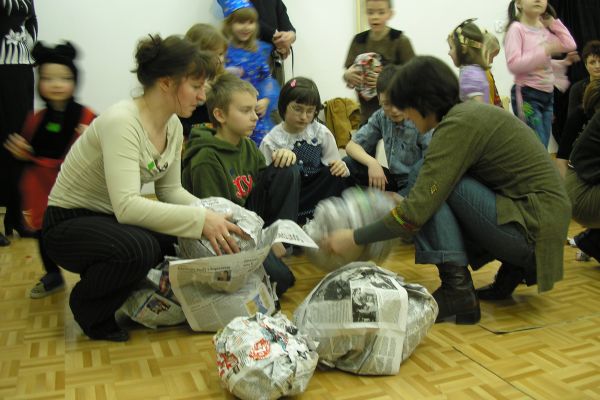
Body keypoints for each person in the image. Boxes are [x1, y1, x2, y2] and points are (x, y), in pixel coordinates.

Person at [322, 56, 571, 324]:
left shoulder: (457, 126)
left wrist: (355, 237)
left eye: (405, 106)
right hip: (541, 223)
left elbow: (414, 213)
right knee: (433, 182)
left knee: (430, 187)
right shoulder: (466, 115)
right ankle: (510, 269)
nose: (405, 115)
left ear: (422, 102)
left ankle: (457, 290)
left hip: (534, 232)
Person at [41, 35, 246, 342]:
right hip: (67, 223)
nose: (203, 96)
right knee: (140, 249)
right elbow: (127, 206)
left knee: (176, 238)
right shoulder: (122, 121)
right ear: (166, 83)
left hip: (107, 218)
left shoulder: (173, 125)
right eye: (195, 86)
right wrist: (201, 219)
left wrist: (219, 212)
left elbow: (171, 191)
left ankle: (128, 289)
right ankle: (87, 306)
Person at [181, 73, 297, 296]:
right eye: (245, 111)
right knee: (282, 282)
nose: (254, 117)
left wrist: (284, 155)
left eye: (254, 110)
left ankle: (279, 239)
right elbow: (216, 219)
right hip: (226, 228)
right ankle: (264, 253)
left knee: (287, 168)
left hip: (249, 219)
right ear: (220, 115)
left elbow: (266, 188)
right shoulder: (205, 158)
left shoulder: (248, 146)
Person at [3, 41, 95, 298]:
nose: (56, 84)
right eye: (47, 78)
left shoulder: (86, 117)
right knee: (43, 232)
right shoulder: (36, 118)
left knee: (82, 232)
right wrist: (22, 152)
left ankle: (92, 273)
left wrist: (91, 140)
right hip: (42, 187)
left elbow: (101, 151)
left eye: (64, 78)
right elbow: (29, 150)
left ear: (75, 81)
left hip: (74, 189)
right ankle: (52, 274)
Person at [259, 77, 349, 223]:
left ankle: (329, 218)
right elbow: (264, 181)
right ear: (284, 106)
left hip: (316, 192)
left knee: (334, 173)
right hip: (290, 197)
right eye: (297, 109)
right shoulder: (272, 141)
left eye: (310, 111)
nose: (303, 117)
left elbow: (333, 162)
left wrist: (340, 166)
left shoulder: (320, 132)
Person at [344, 65, 429, 193]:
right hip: (394, 181)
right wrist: (372, 163)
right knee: (348, 164)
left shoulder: (422, 119)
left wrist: (400, 197)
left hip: (418, 184)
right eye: (387, 103)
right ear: (379, 99)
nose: (394, 110)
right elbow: (351, 146)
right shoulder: (381, 116)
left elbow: (432, 168)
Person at [504, 0, 576, 147]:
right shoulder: (516, 29)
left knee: (542, 144)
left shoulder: (543, 29)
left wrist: (553, 23)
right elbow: (514, 64)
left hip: (547, 95)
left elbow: (570, 44)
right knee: (537, 145)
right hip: (528, 95)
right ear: (519, 4)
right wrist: (545, 50)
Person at [0, 0, 37, 246]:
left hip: (23, 69)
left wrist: (27, 46)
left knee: (21, 143)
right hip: (0, 69)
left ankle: (15, 217)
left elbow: (32, 20)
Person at [218, 0, 280, 146]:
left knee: (260, 147)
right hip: (230, 112)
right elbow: (218, 79)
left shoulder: (258, 50)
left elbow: (267, 79)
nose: (246, 27)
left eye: (251, 22)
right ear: (229, 24)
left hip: (255, 115)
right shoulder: (223, 50)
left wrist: (266, 100)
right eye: (240, 22)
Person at [343, 0, 415, 124]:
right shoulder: (358, 41)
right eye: (370, 12)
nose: (375, 17)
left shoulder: (399, 40)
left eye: (381, 12)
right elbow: (348, 72)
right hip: (367, 114)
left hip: (396, 113)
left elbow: (413, 75)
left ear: (390, 14)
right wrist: (347, 75)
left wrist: (384, 82)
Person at [564, 79, 600, 262]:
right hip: (582, 190)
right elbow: (564, 157)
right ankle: (590, 241)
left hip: (583, 184)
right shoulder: (577, 117)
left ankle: (590, 242)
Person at [179, 23, 228, 138]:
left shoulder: (222, 77)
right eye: (213, 55)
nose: (219, 59)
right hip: (190, 133)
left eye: (221, 54)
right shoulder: (183, 78)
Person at [249, 0, 296, 86]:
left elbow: (286, 25)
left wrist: (291, 35)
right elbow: (245, 20)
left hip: (274, 61)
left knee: (277, 93)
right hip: (248, 59)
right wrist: (277, 37)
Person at [447, 18, 489, 104]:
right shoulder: (475, 71)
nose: (449, 53)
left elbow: (478, 107)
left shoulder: (469, 75)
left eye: (451, 48)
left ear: (463, 49)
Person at [567, 40, 600, 117]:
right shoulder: (577, 89)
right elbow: (572, 120)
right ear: (586, 65)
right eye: (592, 62)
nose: (597, 66)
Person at [482, 30, 504, 107]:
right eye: (492, 56)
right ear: (485, 52)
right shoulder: (483, 73)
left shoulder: (487, 72)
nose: (492, 61)